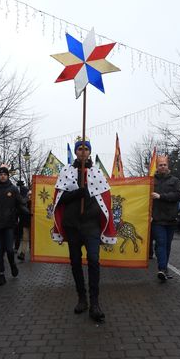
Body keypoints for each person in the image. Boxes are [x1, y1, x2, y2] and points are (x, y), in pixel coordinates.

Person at [52, 137, 117, 322]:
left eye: (85, 149)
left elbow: (104, 199)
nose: (82, 151)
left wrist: (88, 193)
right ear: (76, 151)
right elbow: (60, 199)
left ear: (89, 151)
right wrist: (76, 193)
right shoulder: (66, 171)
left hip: (91, 224)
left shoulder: (96, 172)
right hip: (72, 224)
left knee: (94, 260)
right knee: (75, 262)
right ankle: (82, 298)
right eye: (79, 148)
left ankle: (95, 303)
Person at [0, 166, 26, 286]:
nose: (2, 176)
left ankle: (13, 265)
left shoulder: (13, 189)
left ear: (7, 176)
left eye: (5, 174)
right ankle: (1, 275)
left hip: (9, 224)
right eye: (0, 174)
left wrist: (28, 208)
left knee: (9, 249)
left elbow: (21, 203)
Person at [151, 155, 180, 282]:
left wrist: (161, 196)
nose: (163, 167)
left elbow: (177, 195)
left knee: (167, 245)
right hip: (157, 219)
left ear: (168, 166)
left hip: (171, 218)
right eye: (160, 165)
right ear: (157, 167)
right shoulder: (151, 181)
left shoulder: (174, 180)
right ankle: (162, 269)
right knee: (161, 243)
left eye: (164, 165)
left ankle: (164, 268)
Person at [17, 190, 32, 261]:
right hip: (26, 222)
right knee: (25, 238)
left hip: (33, 222)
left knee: (31, 238)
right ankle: (23, 253)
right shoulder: (25, 201)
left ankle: (32, 251)